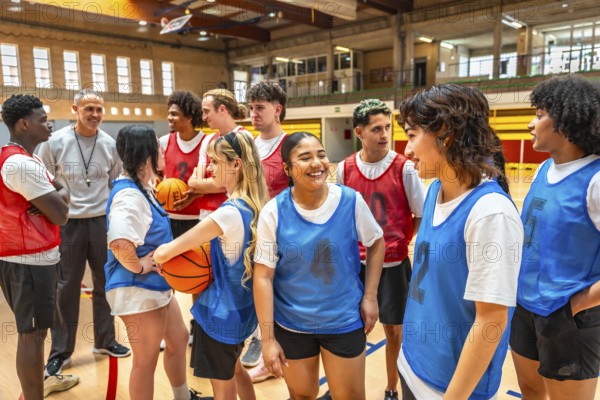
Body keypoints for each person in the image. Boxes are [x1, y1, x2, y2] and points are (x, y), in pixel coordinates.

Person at [397, 83, 523, 399]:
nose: (406, 150)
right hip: (412, 364)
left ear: (446, 134)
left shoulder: (490, 213)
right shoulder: (432, 194)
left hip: (451, 388)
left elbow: (491, 320)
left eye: (412, 135)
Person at [253, 131, 385, 400]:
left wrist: (370, 296)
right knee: (302, 395)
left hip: (344, 321)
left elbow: (376, 242)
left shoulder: (350, 200)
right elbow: (263, 277)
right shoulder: (274, 211)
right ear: (289, 170)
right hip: (291, 325)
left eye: (321, 155)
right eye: (305, 157)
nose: (317, 163)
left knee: (349, 396)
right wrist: (267, 340)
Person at [154, 130, 270, 400]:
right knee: (237, 371)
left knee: (223, 388)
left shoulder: (228, 213)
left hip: (220, 315)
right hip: (243, 311)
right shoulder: (256, 205)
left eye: (215, 162)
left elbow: (170, 250)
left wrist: (159, 255)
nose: (209, 168)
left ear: (236, 165)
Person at [510, 75, 600, 400]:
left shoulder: (596, 179)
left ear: (564, 119)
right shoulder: (542, 170)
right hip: (524, 307)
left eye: (539, 114)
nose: (532, 124)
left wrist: (575, 305)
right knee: (530, 392)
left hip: (568, 316)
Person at [104, 125, 210, 400]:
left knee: (177, 340)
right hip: (136, 287)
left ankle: (183, 396)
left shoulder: (144, 188)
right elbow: (119, 242)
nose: (163, 150)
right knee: (145, 360)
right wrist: (140, 265)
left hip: (153, 286)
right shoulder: (129, 195)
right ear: (145, 153)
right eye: (158, 147)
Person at [333, 99, 425, 400]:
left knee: (393, 331)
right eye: (376, 129)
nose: (385, 134)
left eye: (388, 127)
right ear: (360, 132)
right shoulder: (344, 170)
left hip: (395, 265)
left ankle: (391, 387)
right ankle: (346, 388)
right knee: (351, 330)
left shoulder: (405, 169)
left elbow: (420, 215)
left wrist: (405, 244)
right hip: (356, 266)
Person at [38, 90, 130, 377]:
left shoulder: (109, 144)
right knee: (66, 287)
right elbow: (42, 176)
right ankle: (61, 352)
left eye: (99, 110)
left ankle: (105, 340)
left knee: (105, 284)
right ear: (75, 109)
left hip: (102, 222)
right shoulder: (55, 142)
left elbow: (117, 180)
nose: (95, 115)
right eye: (89, 109)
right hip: (69, 224)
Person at [0, 94, 78, 399]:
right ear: (23, 123)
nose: (49, 124)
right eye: (42, 119)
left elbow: (62, 191)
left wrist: (57, 199)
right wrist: (57, 202)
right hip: (26, 261)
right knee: (31, 335)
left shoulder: (26, 158)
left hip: (32, 259)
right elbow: (61, 214)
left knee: (36, 332)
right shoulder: (20, 164)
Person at [242, 81, 289, 380]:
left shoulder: (291, 145)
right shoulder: (248, 145)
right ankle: (262, 340)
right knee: (257, 290)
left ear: (278, 109)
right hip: (251, 230)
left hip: (283, 234)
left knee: (279, 294)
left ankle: (275, 353)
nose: (254, 114)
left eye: (260, 108)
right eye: (251, 108)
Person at [159, 90, 205, 346]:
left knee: (198, 277)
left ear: (188, 116)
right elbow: (155, 173)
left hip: (198, 219)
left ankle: (197, 328)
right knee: (169, 275)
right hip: (169, 218)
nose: (170, 118)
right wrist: (161, 188)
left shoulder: (207, 143)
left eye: (174, 114)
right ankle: (171, 331)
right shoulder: (164, 141)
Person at [188, 88, 252, 223]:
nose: (203, 117)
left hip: (234, 213)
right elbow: (193, 184)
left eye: (206, 111)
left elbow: (229, 183)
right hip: (205, 215)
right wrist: (201, 184)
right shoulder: (207, 140)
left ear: (222, 109)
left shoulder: (244, 137)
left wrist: (201, 184)